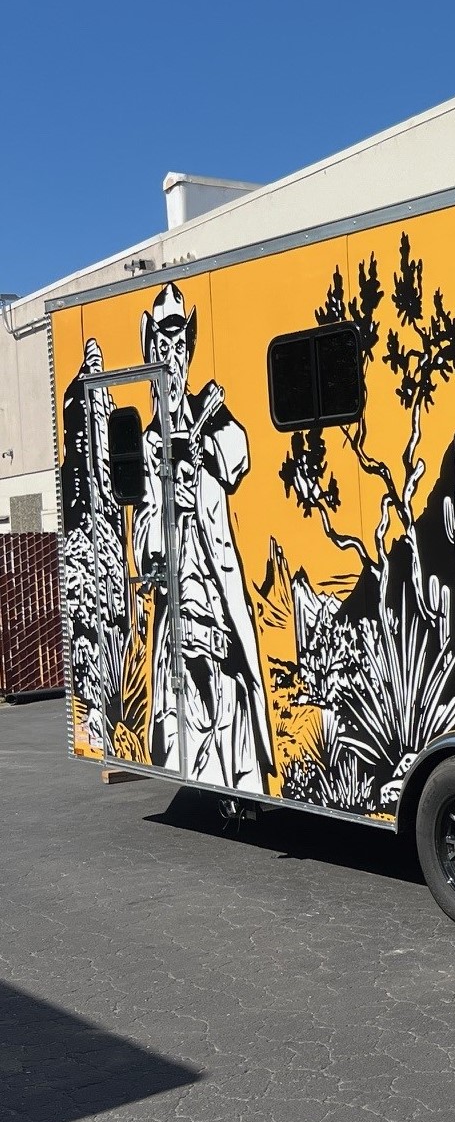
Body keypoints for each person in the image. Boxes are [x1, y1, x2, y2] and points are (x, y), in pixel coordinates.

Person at [135, 283, 273, 792]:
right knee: (186, 739)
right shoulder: (148, 444)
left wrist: (199, 448)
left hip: (220, 614)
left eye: (179, 345)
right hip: (179, 624)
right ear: (150, 352)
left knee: (237, 738)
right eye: (162, 345)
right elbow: (144, 540)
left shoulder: (211, 417)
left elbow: (239, 454)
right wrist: (167, 507)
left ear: (189, 351)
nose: (171, 358)